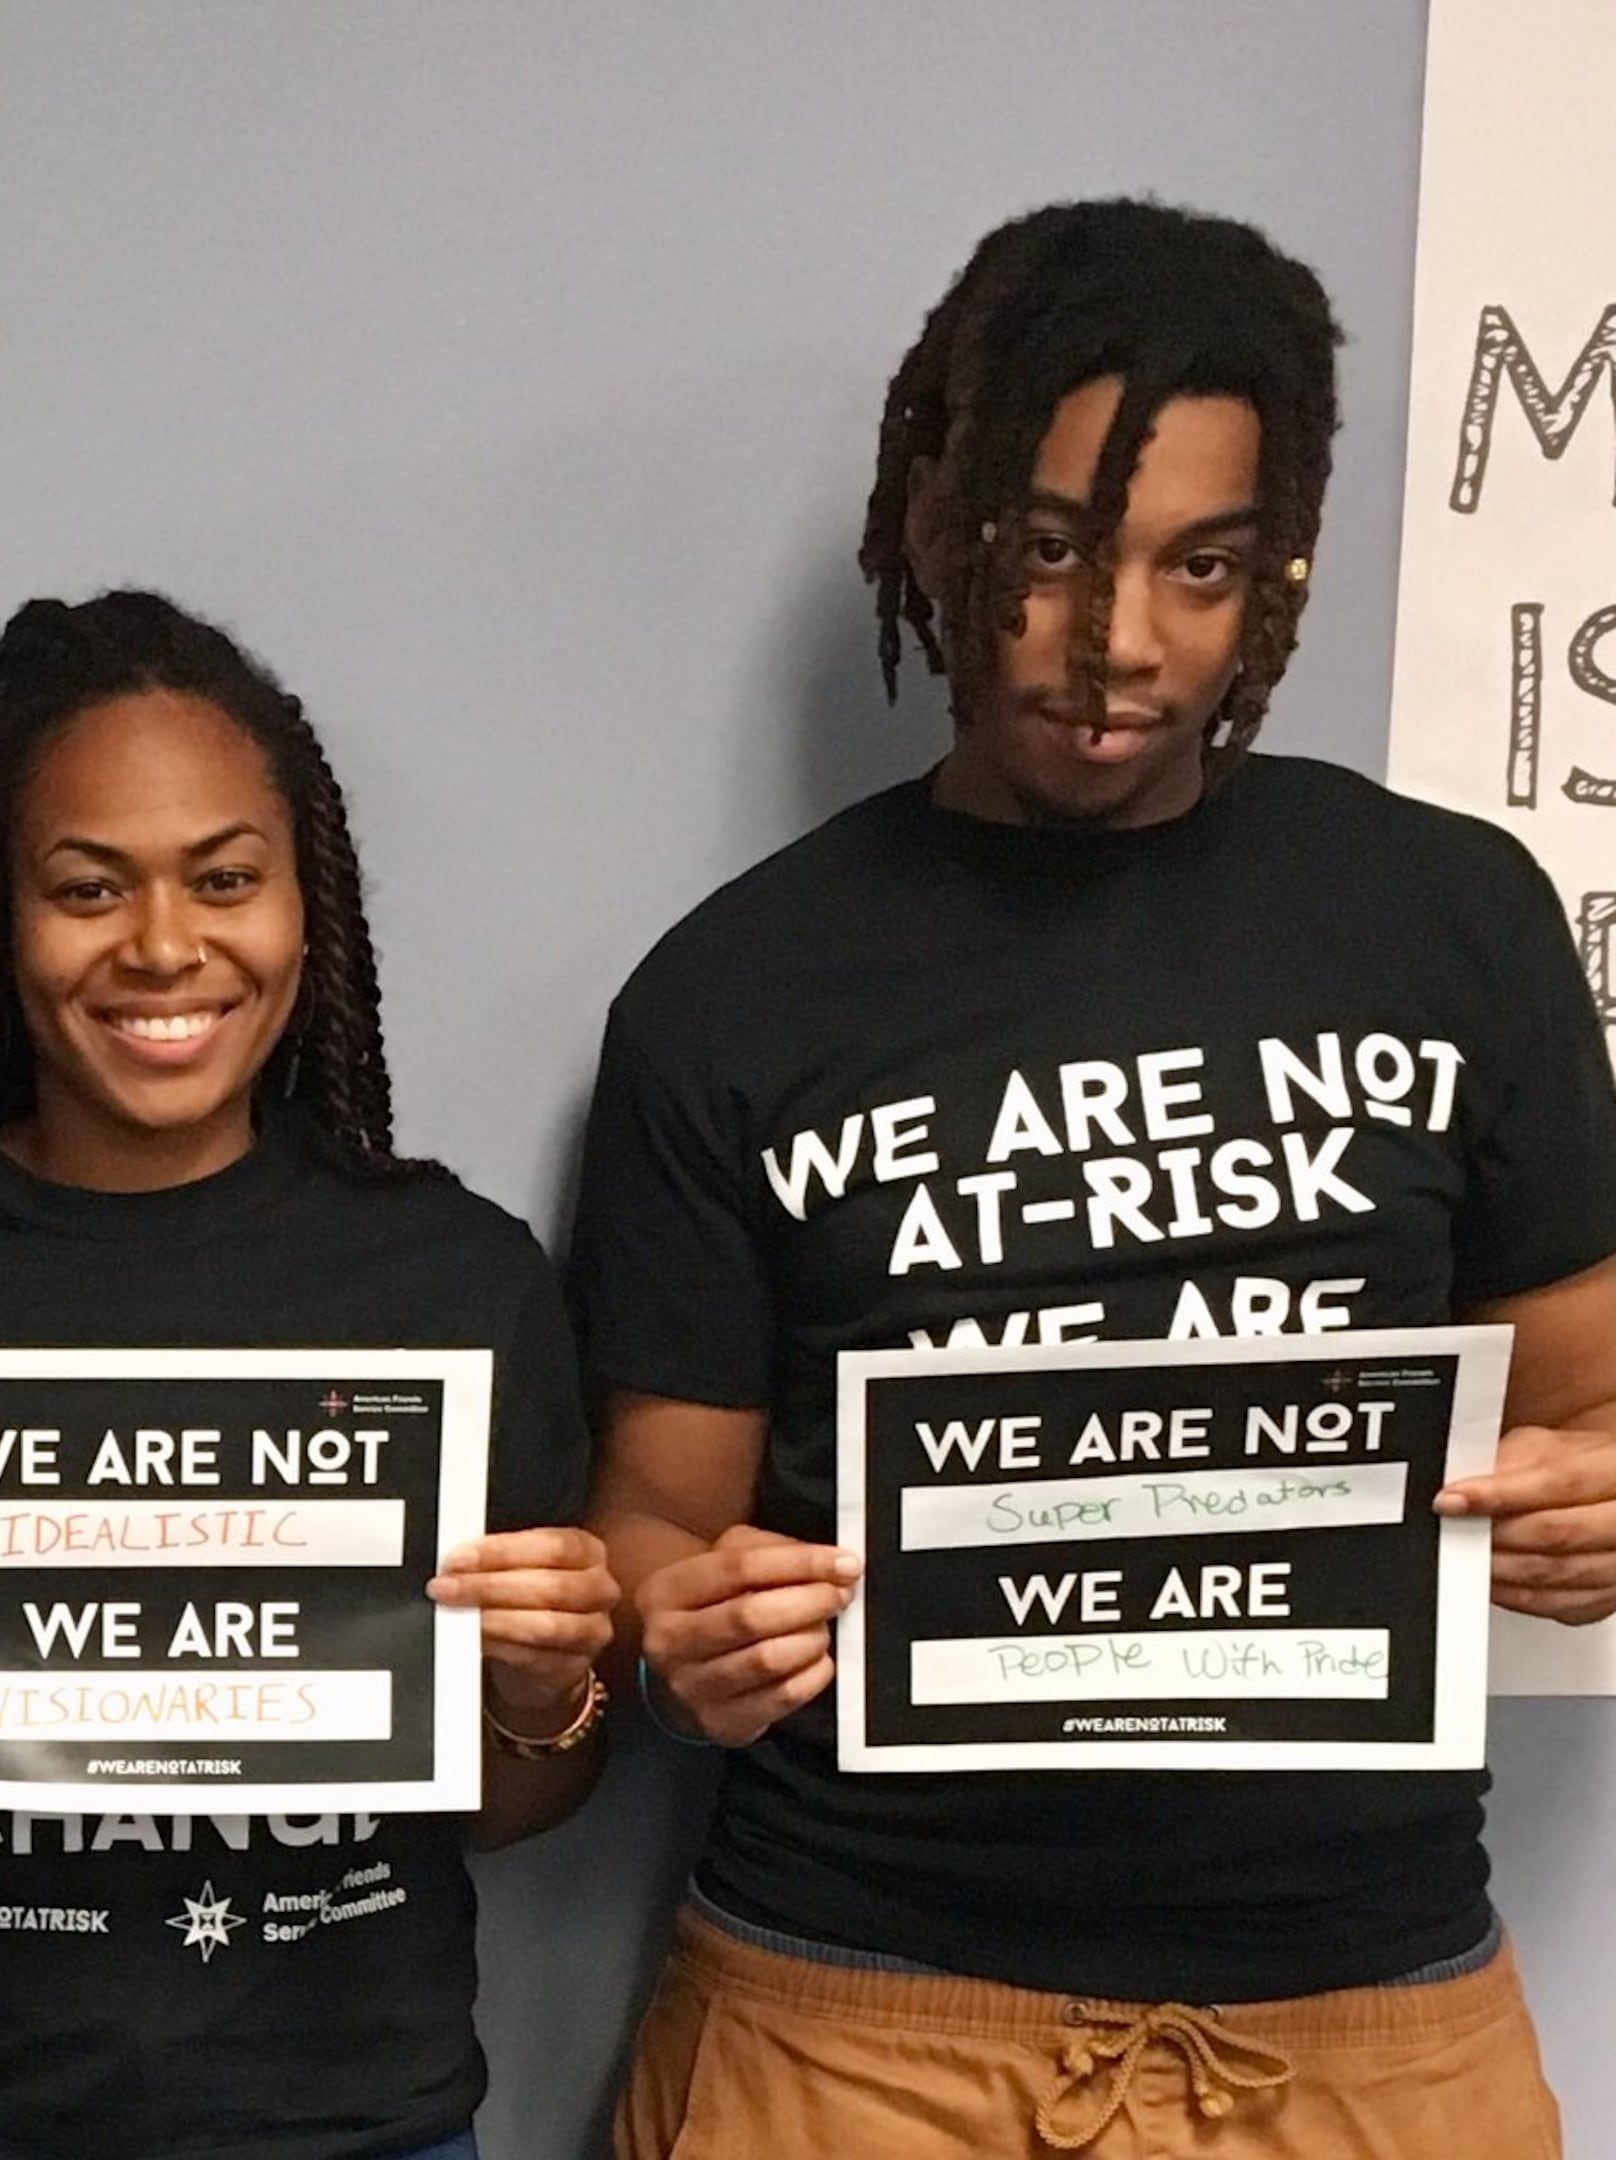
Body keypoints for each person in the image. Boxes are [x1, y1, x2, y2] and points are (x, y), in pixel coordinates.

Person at [575, 199, 1616, 2157]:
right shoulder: (737, 991)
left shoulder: (1452, 920)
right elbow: (650, 1518)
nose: (1113, 641)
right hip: (852, 2030)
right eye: (1048, 550)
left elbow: (1590, 1405)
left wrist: (1596, 1510)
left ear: (1275, 570)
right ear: (940, 520)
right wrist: (680, 1627)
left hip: (1363, 2027)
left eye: (1198, 568)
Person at [0, 590, 616, 2160]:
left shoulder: (457, 1279)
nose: (167, 946)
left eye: (227, 880)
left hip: (347, 2132)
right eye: (87, 887)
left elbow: (509, 1807)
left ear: (304, 902)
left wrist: (539, 1690)